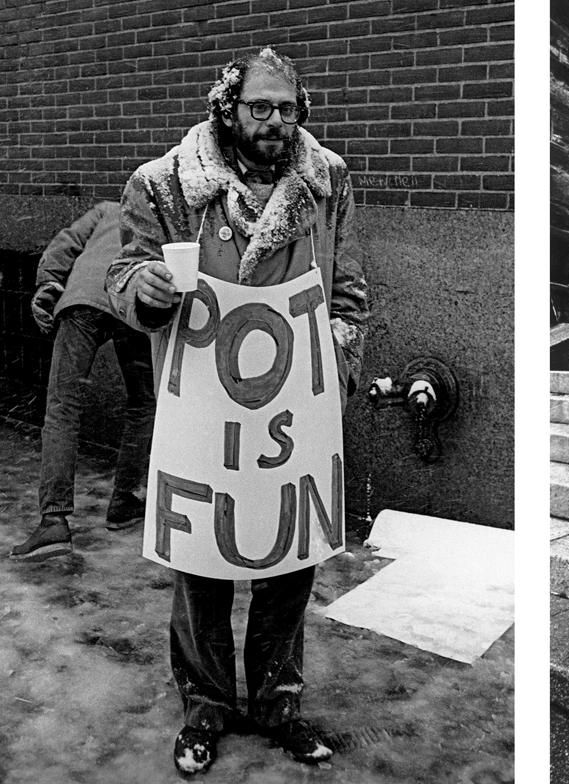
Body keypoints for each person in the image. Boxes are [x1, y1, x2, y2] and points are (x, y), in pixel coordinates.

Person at [104, 48, 369, 773]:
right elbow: (123, 274)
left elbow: (347, 294)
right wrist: (146, 288)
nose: (275, 120)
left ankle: (279, 704)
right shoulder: (162, 184)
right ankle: (205, 708)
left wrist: (336, 364)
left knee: (288, 566)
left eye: (286, 108)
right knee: (204, 568)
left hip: (290, 424)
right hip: (205, 422)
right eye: (261, 107)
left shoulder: (329, 182)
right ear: (229, 108)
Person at [9, 201, 155, 562]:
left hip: (84, 300)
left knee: (62, 409)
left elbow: (64, 245)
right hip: (133, 304)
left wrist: (48, 284)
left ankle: (54, 520)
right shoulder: (158, 218)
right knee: (142, 403)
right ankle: (125, 500)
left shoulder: (107, 209)